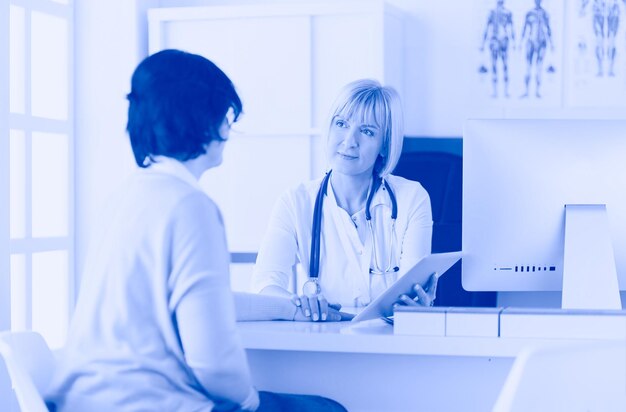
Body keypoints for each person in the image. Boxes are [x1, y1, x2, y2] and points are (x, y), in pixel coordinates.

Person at [45, 49, 347, 412]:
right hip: (143, 404)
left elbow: (208, 302)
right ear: (203, 119)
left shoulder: (122, 198)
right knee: (327, 409)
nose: (229, 129)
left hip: (82, 401)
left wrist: (290, 308)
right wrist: (249, 403)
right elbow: (214, 364)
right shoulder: (191, 207)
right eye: (227, 115)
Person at [251, 79, 435, 322]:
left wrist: (417, 304)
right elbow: (264, 284)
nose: (349, 141)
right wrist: (301, 304)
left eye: (367, 131)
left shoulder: (411, 199)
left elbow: (410, 292)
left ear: (385, 145)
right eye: (341, 124)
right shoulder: (295, 202)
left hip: (390, 342)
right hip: (326, 341)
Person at [480, 0, 516, 98]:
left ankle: (505, 92)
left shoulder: (507, 13)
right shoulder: (492, 13)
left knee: (504, 66)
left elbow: (511, 28)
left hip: (503, 41)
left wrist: (513, 42)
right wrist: (483, 43)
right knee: (494, 66)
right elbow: (487, 28)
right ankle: (495, 92)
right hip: (495, 41)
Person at [520, 0, 554, 98]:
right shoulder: (529, 13)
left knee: (539, 67)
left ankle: (537, 91)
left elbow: (548, 29)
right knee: (528, 67)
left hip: (542, 42)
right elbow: (524, 28)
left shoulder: (545, 14)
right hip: (530, 41)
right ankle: (526, 91)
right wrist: (521, 42)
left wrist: (551, 42)